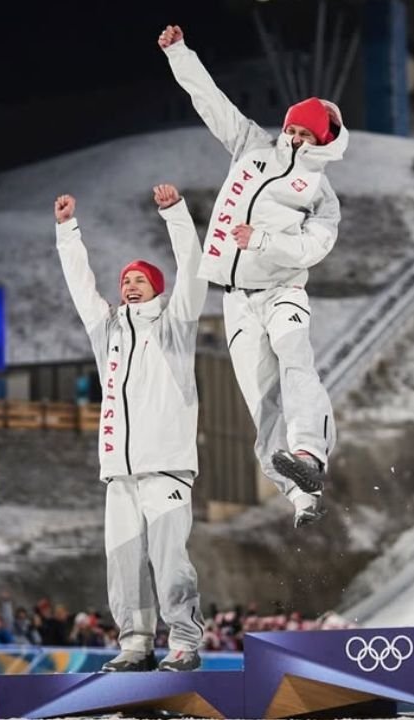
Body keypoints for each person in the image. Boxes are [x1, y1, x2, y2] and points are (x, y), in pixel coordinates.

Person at [159, 24, 346, 527]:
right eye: (293, 128)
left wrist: (263, 241)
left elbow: (314, 247)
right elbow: (211, 101)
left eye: (306, 133)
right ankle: (302, 496)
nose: (295, 137)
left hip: (283, 290)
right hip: (236, 300)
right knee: (260, 405)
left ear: (322, 141)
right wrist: (179, 53)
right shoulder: (251, 148)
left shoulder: (319, 194)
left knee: (295, 358)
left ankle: (310, 453)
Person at [54, 185, 207, 672]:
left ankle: (183, 642)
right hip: (119, 474)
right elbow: (81, 285)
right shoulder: (109, 333)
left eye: (140, 280)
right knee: (123, 566)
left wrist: (175, 214)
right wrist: (66, 231)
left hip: (166, 468)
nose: (130, 286)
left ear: (157, 289)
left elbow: (193, 264)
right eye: (126, 281)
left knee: (170, 563)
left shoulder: (176, 326)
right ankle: (136, 644)